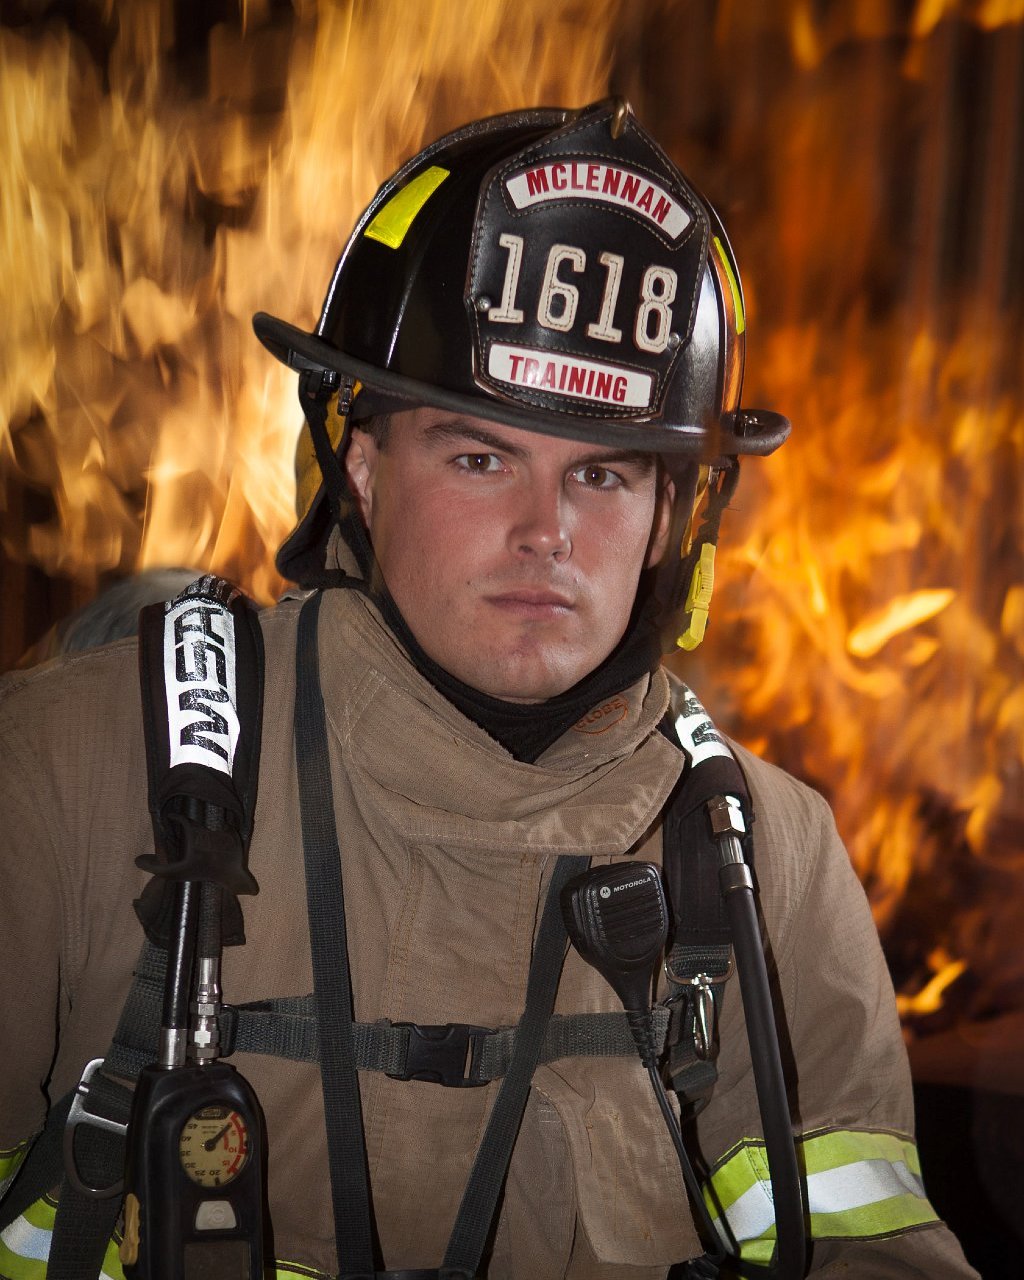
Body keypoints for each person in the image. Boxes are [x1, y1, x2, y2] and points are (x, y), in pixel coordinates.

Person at [0, 99, 978, 1279]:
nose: (545, 530)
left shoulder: (766, 854)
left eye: (604, 474)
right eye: (480, 456)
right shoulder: (74, 772)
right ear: (362, 468)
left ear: (672, 517)